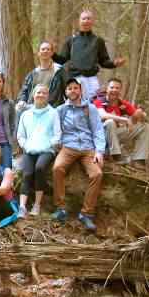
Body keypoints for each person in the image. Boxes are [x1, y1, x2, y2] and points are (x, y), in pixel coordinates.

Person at [51, 79, 106, 232]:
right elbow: (57, 132)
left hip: (88, 148)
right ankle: (60, 208)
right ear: (66, 92)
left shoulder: (90, 108)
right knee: (57, 168)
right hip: (68, 146)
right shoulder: (60, 110)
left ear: (80, 90)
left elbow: (98, 131)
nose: (73, 91)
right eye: (69, 88)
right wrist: (56, 144)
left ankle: (86, 214)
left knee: (97, 174)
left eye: (76, 88)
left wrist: (99, 151)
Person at [52, 10, 127, 102]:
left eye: (88, 19)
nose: (86, 21)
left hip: (91, 78)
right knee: (75, 103)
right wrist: (53, 54)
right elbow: (62, 60)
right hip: (75, 78)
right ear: (79, 21)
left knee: (94, 104)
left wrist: (114, 63)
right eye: (83, 19)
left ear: (92, 21)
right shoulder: (71, 40)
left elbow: (104, 62)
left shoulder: (98, 41)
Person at [16, 84, 61, 217]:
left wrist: (50, 144)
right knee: (27, 174)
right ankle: (22, 207)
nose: (40, 95)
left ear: (47, 96)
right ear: (33, 95)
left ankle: (37, 205)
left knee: (40, 168)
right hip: (30, 149)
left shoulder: (53, 113)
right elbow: (20, 135)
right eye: (38, 92)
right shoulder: (26, 114)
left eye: (44, 93)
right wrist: (26, 145)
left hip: (46, 150)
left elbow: (57, 134)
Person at [93, 78, 149, 167]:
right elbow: (102, 115)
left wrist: (141, 114)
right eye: (112, 87)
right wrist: (125, 120)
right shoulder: (99, 101)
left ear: (120, 90)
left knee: (145, 126)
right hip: (100, 139)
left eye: (117, 88)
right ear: (107, 89)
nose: (114, 90)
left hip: (114, 137)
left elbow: (137, 114)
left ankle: (139, 159)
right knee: (110, 122)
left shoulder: (122, 104)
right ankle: (116, 156)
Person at [16, 42, 62, 116]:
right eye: (43, 49)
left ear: (52, 53)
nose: (45, 51)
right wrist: (22, 100)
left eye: (48, 49)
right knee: (18, 108)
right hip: (31, 106)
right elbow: (24, 90)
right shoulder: (33, 73)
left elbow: (67, 90)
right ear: (39, 53)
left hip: (49, 106)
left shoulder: (58, 71)